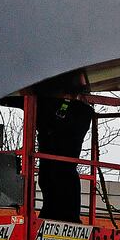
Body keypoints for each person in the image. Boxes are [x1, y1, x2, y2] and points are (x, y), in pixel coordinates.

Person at [35, 94, 94, 223]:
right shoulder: (78, 111)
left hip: (58, 164)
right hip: (56, 165)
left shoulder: (73, 111)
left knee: (56, 179)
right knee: (53, 179)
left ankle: (62, 217)